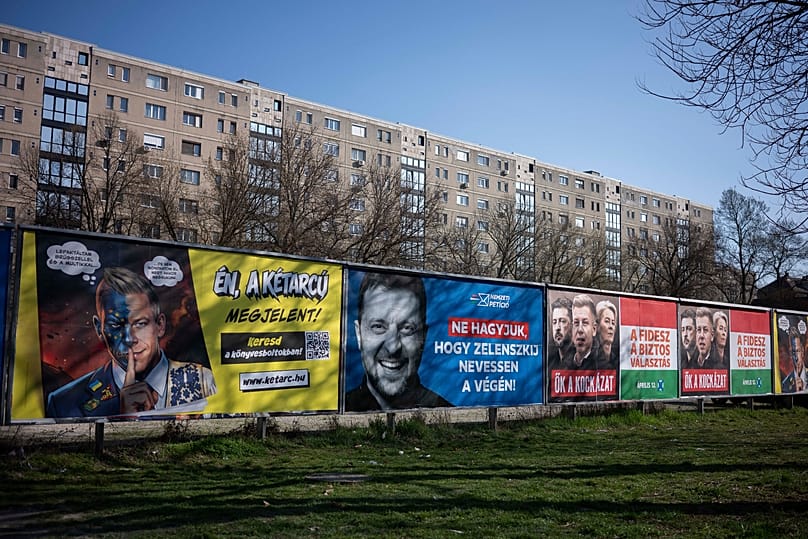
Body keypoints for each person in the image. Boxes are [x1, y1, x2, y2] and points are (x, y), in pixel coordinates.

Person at [47, 267, 216, 418]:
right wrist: (123, 421)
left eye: (140, 323)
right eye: (115, 325)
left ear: (160, 325)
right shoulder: (64, 402)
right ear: (100, 329)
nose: (129, 339)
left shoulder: (203, 381)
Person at [345, 272, 451, 411]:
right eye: (378, 327)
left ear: (423, 337)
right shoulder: (342, 407)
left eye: (407, 328)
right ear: (359, 334)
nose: (393, 347)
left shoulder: (444, 411)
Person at [570, 294, 600, 370]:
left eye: (585, 323)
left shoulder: (603, 366)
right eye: (576, 323)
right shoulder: (562, 365)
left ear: (594, 329)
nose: (580, 330)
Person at [548, 296, 574, 370]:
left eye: (562, 321)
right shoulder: (550, 360)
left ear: (572, 325)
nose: (557, 328)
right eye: (554, 322)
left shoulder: (580, 359)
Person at [596, 300, 619, 370]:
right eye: (607, 321)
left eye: (613, 322)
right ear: (597, 326)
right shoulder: (590, 359)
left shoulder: (618, 360)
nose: (611, 326)